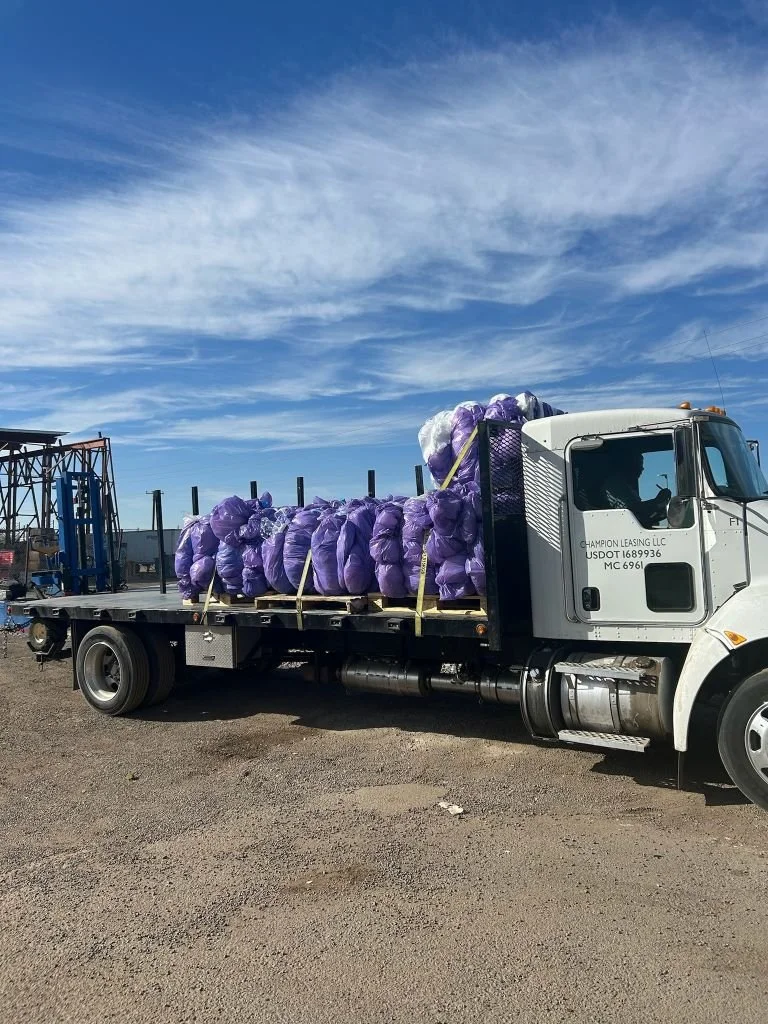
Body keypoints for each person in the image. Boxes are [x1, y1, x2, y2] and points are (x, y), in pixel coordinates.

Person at [601, 447, 671, 528]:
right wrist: (657, 502)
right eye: (638, 464)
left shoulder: (627, 487)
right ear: (627, 465)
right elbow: (632, 512)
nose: (642, 469)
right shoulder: (614, 485)